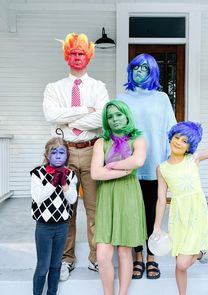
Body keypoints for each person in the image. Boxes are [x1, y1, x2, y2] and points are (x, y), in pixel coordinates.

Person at [43, 32, 109, 280]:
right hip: (64, 151)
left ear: (88, 57)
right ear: (66, 57)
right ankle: (66, 258)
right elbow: (51, 115)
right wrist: (85, 110)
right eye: (73, 53)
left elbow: (101, 117)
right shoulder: (54, 88)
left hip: (93, 150)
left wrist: (68, 117)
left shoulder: (98, 87)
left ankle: (96, 257)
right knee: (65, 208)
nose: (77, 57)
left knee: (94, 208)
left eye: (81, 53)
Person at [153, 121, 208, 295]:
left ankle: (199, 253)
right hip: (178, 216)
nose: (178, 142)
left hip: (196, 214)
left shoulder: (193, 158)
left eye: (184, 141)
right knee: (179, 264)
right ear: (170, 138)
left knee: (182, 263)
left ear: (189, 146)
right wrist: (157, 226)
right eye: (176, 137)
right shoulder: (162, 169)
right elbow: (161, 200)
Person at [117, 53, 176, 279]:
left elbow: (171, 129)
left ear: (152, 71)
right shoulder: (122, 97)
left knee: (152, 212)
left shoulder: (161, 98)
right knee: (133, 213)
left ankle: (152, 257)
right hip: (129, 165)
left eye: (144, 68)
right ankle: (138, 257)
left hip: (154, 164)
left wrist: (171, 161)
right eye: (135, 67)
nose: (139, 71)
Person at [91, 100, 147, 295]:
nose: (114, 119)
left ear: (126, 116)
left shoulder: (138, 140)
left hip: (129, 196)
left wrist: (111, 166)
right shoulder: (101, 142)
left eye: (118, 115)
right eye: (110, 116)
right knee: (103, 254)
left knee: (124, 251)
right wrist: (125, 170)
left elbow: (138, 160)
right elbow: (96, 174)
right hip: (107, 197)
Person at [30, 137, 78, 295]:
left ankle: (52, 292)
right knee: (43, 265)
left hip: (62, 226)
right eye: (54, 152)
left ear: (67, 156)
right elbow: (38, 197)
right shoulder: (38, 173)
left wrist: (64, 185)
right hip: (44, 227)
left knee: (56, 265)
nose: (58, 156)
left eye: (62, 152)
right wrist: (52, 183)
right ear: (47, 155)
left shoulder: (70, 175)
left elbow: (72, 199)